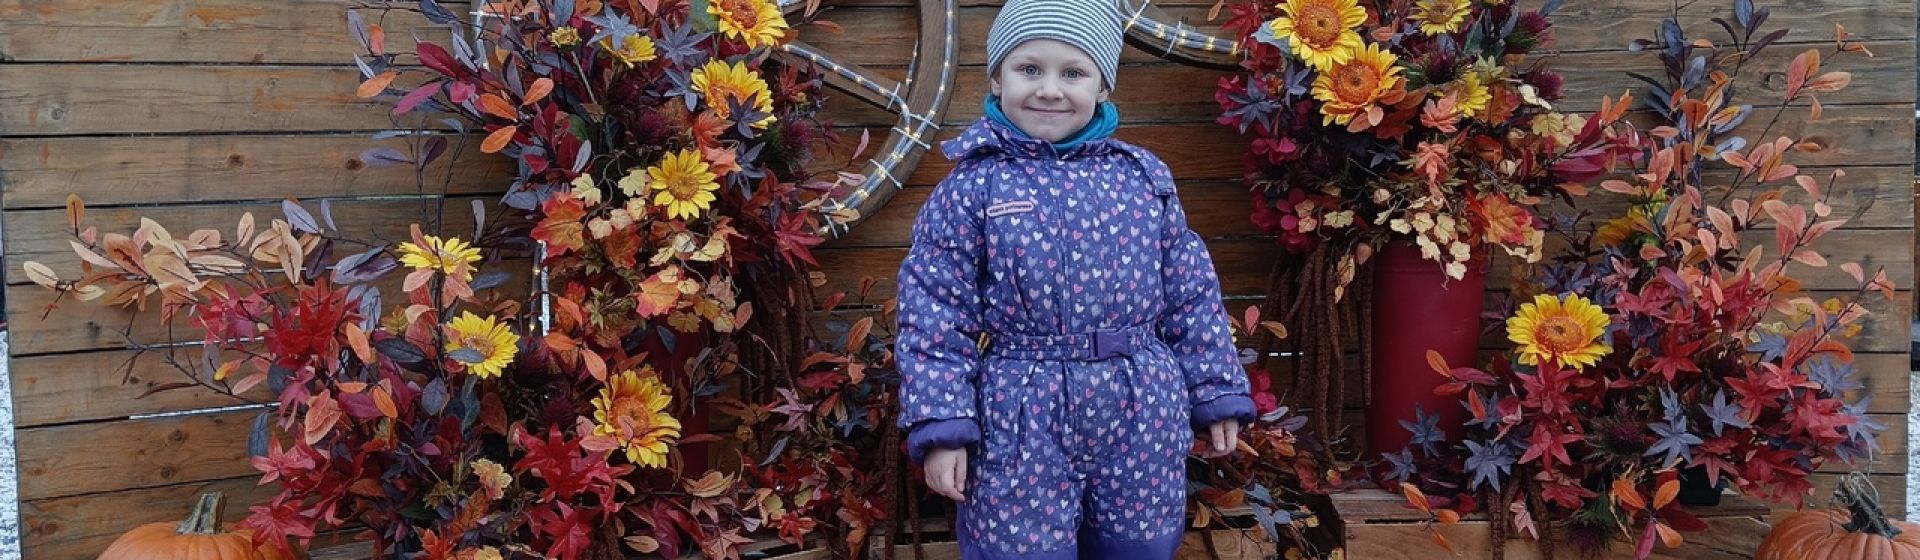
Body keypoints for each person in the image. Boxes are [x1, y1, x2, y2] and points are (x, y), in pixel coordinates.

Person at [893, 0, 1258, 556]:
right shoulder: (972, 188)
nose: (1049, 90)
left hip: (1141, 408)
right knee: (1022, 546)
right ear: (997, 77)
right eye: (1029, 69)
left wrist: (1215, 389)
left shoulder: (1143, 178)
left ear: (1103, 86)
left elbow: (1191, 293)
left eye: (1073, 72)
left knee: (1136, 544)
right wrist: (942, 425)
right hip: (1021, 415)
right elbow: (934, 314)